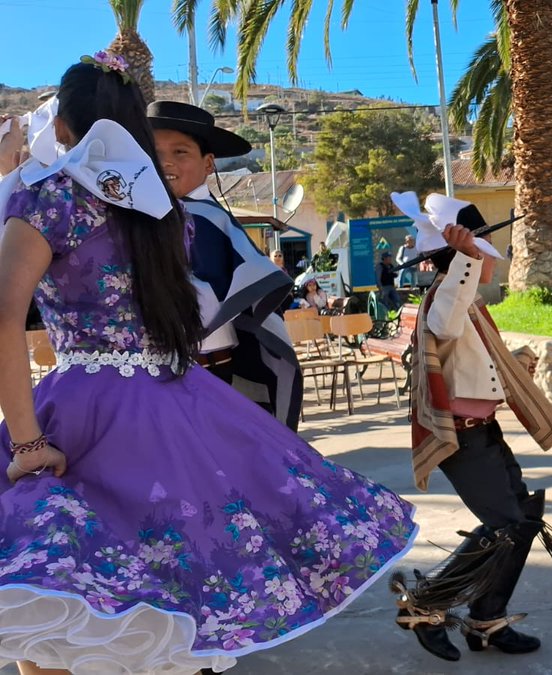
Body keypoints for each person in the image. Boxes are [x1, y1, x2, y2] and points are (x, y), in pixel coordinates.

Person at [0, 55, 417, 675]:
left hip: (80, 410)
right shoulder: (165, 212)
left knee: (52, 607)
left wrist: (29, 441)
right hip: (175, 402)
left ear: (61, 126)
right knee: (176, 595)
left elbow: (4, 318)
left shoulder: (48, 196)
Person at [390, 192, 552, 662]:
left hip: (483, 431)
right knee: (504, 525)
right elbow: (443, 326)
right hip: (462, 437)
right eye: (483, 253)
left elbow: (466, 362)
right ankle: (425, 605)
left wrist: (512, 365)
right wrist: (465, 257)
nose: (492, 263)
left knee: (522, 518)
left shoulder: (467, 303)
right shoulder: (446, 296)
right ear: (462, 256)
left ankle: (486, 617)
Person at [148, 99, 302, 429]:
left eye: (180, 152)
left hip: (207, 366)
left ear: (208, 164)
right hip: (155, 370)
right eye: (155, 152)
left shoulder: (211, 220)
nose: (165, 162)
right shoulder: (143, 218)